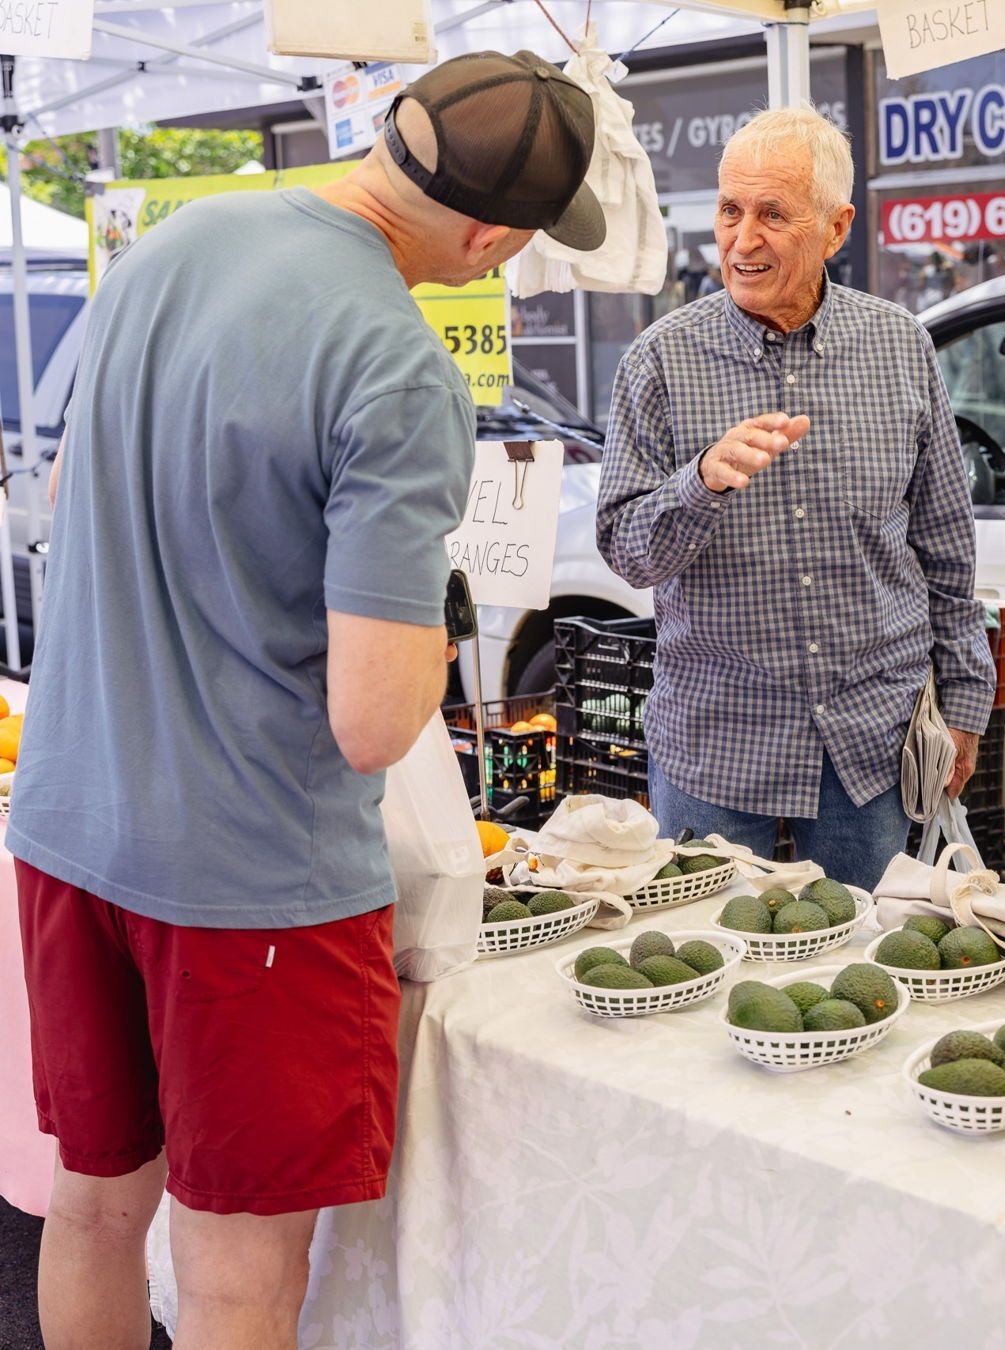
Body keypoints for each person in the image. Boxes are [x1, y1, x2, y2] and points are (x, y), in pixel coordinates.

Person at [9, 49, 603, 1350]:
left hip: (69, 824)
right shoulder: (397, 369)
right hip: (245, 885)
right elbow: (374, 723)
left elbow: (67, 504)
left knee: (97, 1206)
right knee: (232, 1277)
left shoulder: (178, 239)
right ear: (493, 234)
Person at [596, 107, 994, 892]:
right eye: (729, 210)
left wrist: (967, 700)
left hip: (869, 745)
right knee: (703, 964)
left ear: (837, 227)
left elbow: (946, 544)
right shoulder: (661, 361)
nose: (742, 241)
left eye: (773, 215)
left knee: (873, 970)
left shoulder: (900, 346)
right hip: (715, 742)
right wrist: (700, 480)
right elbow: (623, 547)